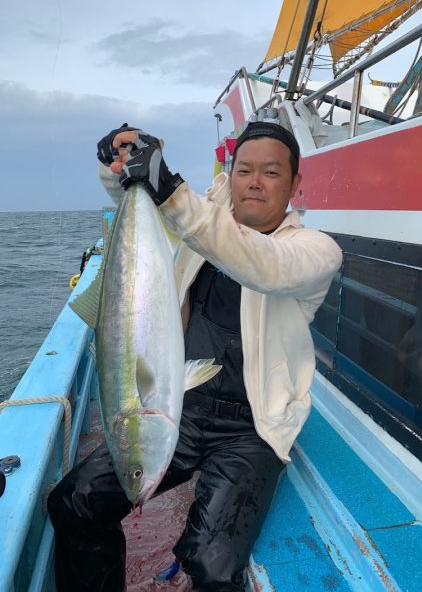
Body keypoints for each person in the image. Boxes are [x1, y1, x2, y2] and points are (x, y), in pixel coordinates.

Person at [48, 121, 342, 592]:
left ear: (295, 185)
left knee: (213, 565)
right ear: (230, 175)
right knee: (73, 502)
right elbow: (162, 219)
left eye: (270, 173)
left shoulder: (313, 252)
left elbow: (260, 264)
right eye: (244, 170)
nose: (254, 182)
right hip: (181, 406)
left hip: (251, 430)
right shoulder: (198, 230)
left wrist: (172, 189)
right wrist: (121, 165)